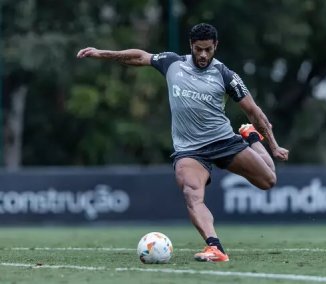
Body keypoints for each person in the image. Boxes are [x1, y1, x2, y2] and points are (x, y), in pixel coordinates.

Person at [77, 23, 289, 262]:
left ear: (215, 46)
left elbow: (255, 111)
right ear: (191, 46)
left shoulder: (226, 75)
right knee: (191, 194)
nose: (203, 55)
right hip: (190, 151)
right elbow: (139, 57)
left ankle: (250, 136)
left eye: (208, 50)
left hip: (223, 141)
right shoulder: (172, 63)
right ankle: (215, 247)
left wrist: (273, 145)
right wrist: (102, 53)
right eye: (198, 49)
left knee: (269, 180)